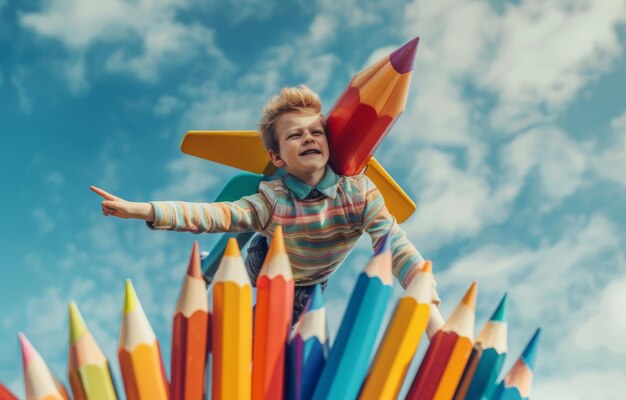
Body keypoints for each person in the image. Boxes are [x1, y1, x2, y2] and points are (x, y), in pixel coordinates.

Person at [91, 85, 443, 330]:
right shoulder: (273, 197)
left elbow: (394, 243)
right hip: (264, 262)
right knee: (246, 225)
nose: (307, 138)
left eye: (315, 132)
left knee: (282, 341)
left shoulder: (360, 193)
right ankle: (219, 284)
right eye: (294, 135)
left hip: (311, 283)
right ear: (277, 157)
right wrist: (143, 210)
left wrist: (429, 308)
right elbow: (214, 216)